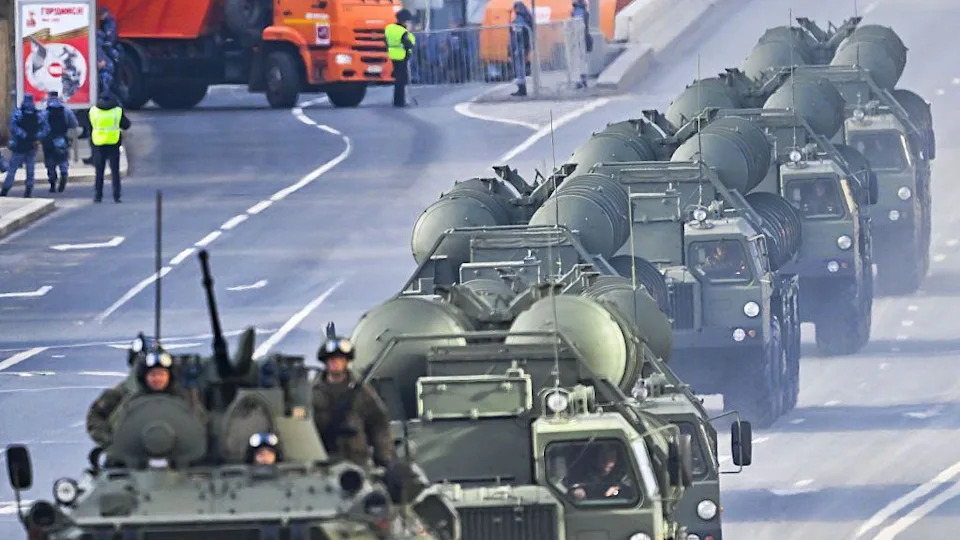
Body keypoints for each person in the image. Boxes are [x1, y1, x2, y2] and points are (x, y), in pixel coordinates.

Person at [312, 325, 394, 468]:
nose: (335, 363)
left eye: (339, 359)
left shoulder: (361, 392)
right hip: (321, 461)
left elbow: (379, 423)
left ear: (346, 361)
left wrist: (384, 456)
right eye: (331, 359)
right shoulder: (312, 392)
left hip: (356, 461)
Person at [1, 95, 48, 198]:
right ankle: (28, 190)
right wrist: (36, 137)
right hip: (32, 145)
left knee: (12, 169)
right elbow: (45, 129)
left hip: (19, 145)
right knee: (30, 169)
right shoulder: (38, 114)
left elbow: (13, 127)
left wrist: (23, 135)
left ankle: (5, 190)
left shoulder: (18, 113)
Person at [88, 91, 131, 203]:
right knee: (115, 172)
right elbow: (127, 125)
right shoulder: (117, 111)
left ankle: (98, 196)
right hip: (113, 144)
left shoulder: (93, 111)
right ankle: (116, 196)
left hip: (98, 144)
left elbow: (89, 127)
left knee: (99, 172)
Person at [567, 443, 636, 501]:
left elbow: (631, 489)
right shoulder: (582, 472)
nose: (607, 461)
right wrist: (578, 491)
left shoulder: (624, 474)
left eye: (611, 457)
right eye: (603, 456)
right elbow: (571, 485)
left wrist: (617, 489)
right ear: (597, 456)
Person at [40, 91, 78, 193]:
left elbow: (41, 125)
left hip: (49, 139)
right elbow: (74, 123)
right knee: (63, 159)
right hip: (62, 137)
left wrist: (42, 137)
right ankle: (64, 174)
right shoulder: (65, 109)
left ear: (49, 97)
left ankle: (52, 182)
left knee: (50, 162)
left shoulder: (45, 110)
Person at [385, 9, 416, 108]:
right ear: (404, 20)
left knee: (398, 78)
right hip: (402, 55)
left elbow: (385, 41)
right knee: (401, 80)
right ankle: (400, 102)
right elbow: (408, 44)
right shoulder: (402, 31)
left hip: (392, 55)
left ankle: (397, 100)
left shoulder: (389, 28)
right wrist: (409, 52)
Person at [509, 2, 533, 97]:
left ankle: (522, 89)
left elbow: (518, 32)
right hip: (524, 46)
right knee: (521, 67)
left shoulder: (520, 18)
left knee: (519, 68)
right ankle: (522, 88)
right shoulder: (527, 17)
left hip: (520, 46)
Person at [571, 0, 592, 89]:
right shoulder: (582, 10)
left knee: (579, 59)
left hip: (579, 39)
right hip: (582, 37)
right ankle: (582, 79)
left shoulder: (577, 10)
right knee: (582, 59)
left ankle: (580, 80)